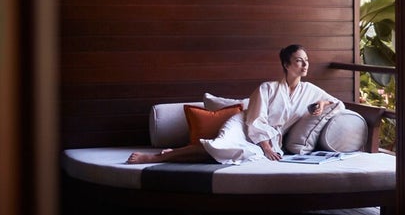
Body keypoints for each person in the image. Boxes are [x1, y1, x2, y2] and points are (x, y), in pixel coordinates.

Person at [126, 44, 338, 164]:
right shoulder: (267, 88)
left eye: (307, 60)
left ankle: (173, 152)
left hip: (272, 140)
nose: (305, 64)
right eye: (299, 60)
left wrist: (322, 101)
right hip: (243, 125)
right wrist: (265, 146)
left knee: (240, 154)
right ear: (286, 64)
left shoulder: (310, 91)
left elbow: (338, 104)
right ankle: (153, 157)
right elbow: (255, 119)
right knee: (222, 144)